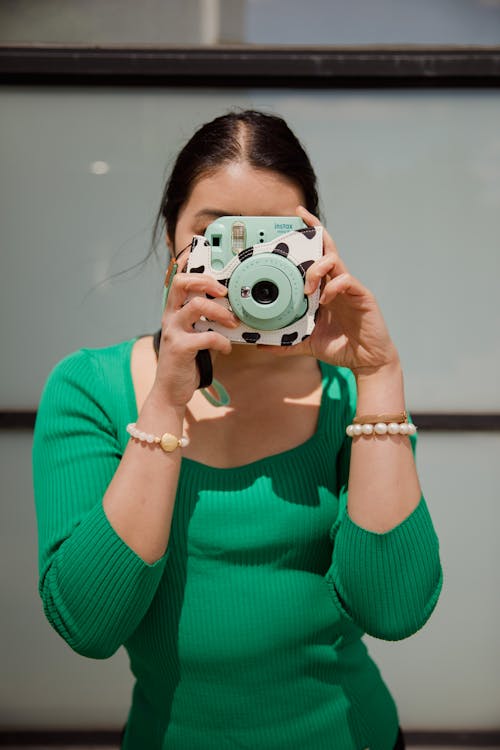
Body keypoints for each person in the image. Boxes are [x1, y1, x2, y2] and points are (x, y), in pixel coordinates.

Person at [33, 110, 442, 750]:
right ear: (172, 236)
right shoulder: (90, 388)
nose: (250, 263)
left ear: (316, 247)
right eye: (218, 235)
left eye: (274, 238)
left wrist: (380, 372)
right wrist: (165, 403)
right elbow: (88, 623)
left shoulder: (351, 399)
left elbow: (395, 610)